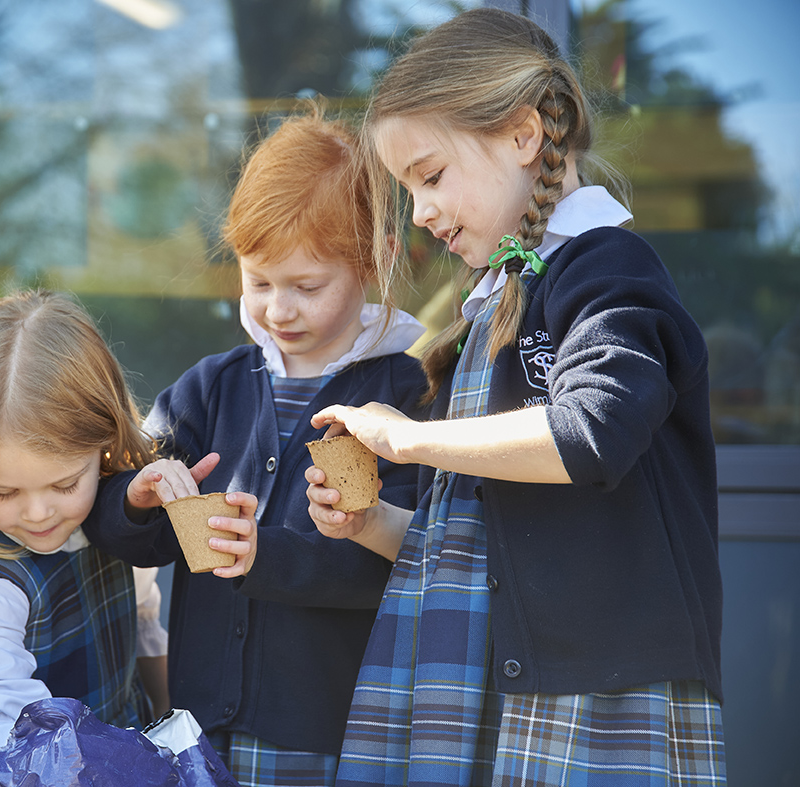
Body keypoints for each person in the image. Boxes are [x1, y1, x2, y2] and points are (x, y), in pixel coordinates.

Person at [306, 8, 725, 786]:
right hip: (481, 688)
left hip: (592, 692)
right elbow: (479, 546)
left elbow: (589, 434)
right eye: (408, 190)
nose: (422, 211)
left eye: (429, 176)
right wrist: (373, 522)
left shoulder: (605, 267)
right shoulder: (493, 304)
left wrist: (408, 439)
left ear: (523, 136)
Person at [80, 110, 430, 787]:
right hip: (201, 727)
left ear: (376, 261)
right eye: (258, 280)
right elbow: (120, 530)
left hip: (330, 731)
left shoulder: (403, 398)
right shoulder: (209, 387)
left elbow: (401, 565)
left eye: (306, 285)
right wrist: (139, 497)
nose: (278, 309)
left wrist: (259, 554)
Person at [0, 291, 185, 762]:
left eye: (65, 484)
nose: (37, 514)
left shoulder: (112, 520)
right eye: (5, 493)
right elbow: (7, 739)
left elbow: (143, 623)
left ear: (105, 444)